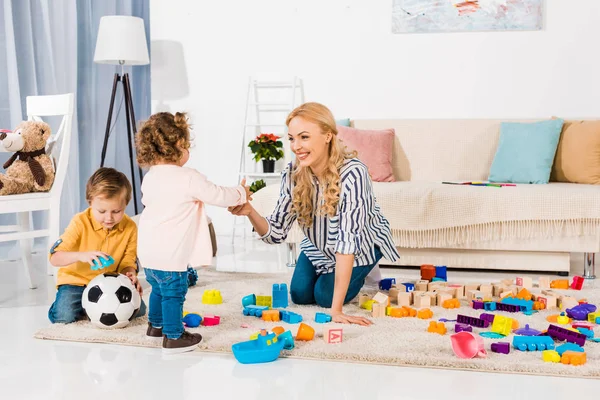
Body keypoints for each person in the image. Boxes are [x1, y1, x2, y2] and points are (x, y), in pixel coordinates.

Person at [229, 102, 400, 326]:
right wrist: (250, 211)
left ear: (327, 135)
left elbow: (348, 242)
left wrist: (336, 311)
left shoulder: (353, 173)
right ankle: (335, 276)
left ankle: (366, 269)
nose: (296, 146)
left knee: (324, 298)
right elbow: (276, 233)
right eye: (291, 138)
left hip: (358, 247)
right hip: (318, 246)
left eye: (304, 137)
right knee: (300, 295)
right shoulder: (292, 173)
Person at [136, 111, 250, 354]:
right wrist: (240, 193)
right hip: (170, 254)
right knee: (174, 293)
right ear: (179, 145)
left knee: (157, 288)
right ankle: (174, 336)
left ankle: (156, 327)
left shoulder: (151, 178)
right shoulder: (188, 177)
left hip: (148, 251)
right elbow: (218, 194)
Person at [48, 167, 144, 323]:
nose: (109, 218)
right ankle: (83, 307)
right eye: (101, 211)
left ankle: (92, 309)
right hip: (76, 282)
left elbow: (128, 261)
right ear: (90, 202)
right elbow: (55, 257)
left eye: (116, 211)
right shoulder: (80, 222)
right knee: (63, 316)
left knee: (139, 311)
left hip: (111, 283)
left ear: (126, 204)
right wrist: (82, 255)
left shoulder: (130, 227)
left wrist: (130, 274)